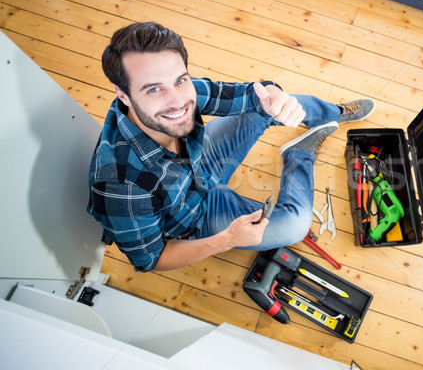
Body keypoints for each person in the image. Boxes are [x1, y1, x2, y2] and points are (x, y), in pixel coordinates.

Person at [87, 22, 374, 272]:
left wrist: (274, 95)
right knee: (296, 226)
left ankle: (332, 113)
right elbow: (152, 259)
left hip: (199, 171)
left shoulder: (180, 90)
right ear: (122, 94)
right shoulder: (119, 185)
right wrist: (227, 241)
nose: (176, 101)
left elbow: (251, 94)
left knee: (267, 105)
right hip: (194, 218)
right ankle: (301, 154)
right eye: (153, 89)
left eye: (180, 80)